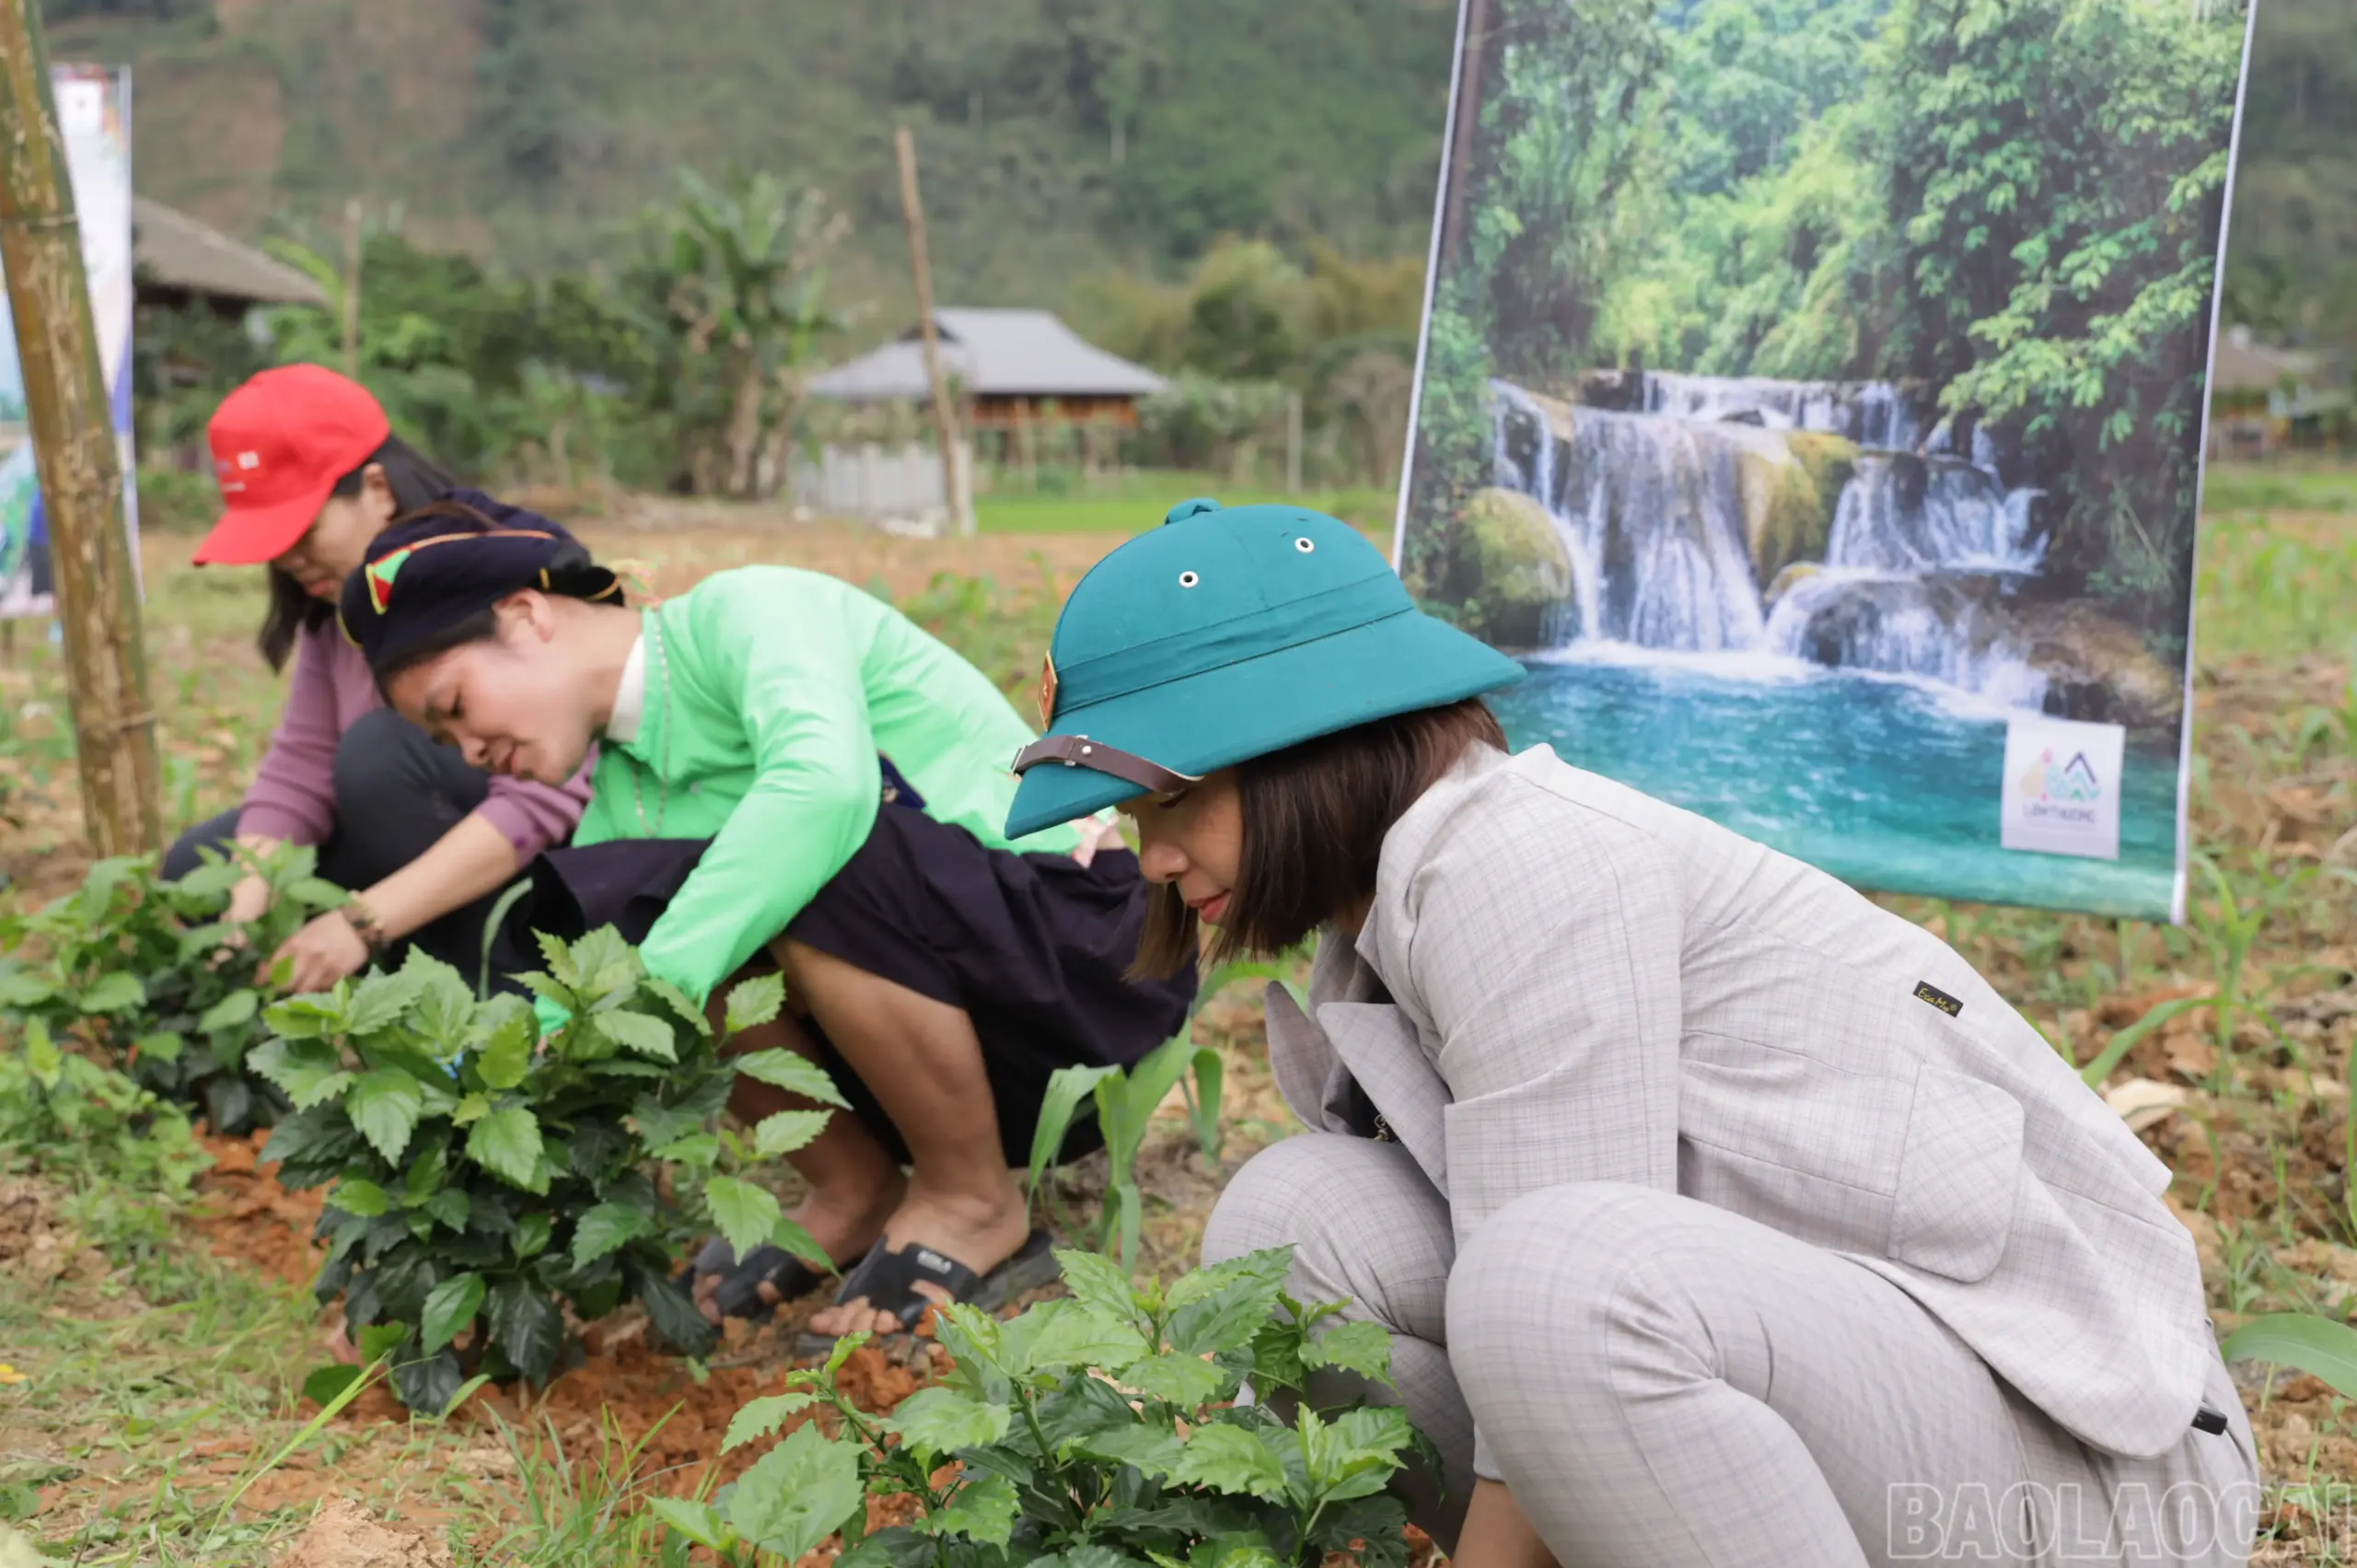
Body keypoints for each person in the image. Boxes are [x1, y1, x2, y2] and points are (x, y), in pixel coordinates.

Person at [1004, 498, 2258, 1568]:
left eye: (1176, 794)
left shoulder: (1519, 861)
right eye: (1134, 806)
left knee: (1556, 1277)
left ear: (1309, 746)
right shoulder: (1388, 907)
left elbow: (1550, 1298)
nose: (1152, 854)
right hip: (1881, 1388)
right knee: (1286, 1233)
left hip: (2111, 1478)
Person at [338, 511, 1196, 1350]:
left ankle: (970, 1198)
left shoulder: (747, 612)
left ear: (526, 616)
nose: (467, 749)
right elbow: (619, 980)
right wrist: (503, 1079)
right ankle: (851, 1184)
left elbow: (824, 790)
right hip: (952, 1035)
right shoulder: (620, 785)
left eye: (453, 704)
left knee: (810, 838)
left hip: (1082, 971)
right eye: (442, 737)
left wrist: (649, 982)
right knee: (623, 893)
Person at [168, 365, 590, 993]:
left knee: (381, 755)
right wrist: (244, 910)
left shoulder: (491, 573)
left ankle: (494, 997)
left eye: (302, 533)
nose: (288, 560)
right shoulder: (333, 610)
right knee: (200, 863)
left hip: (539, 871)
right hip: (405, 842)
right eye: (272, 545)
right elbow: (301, 766)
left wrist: (361, 924)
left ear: (376, 487)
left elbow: (549, 797)